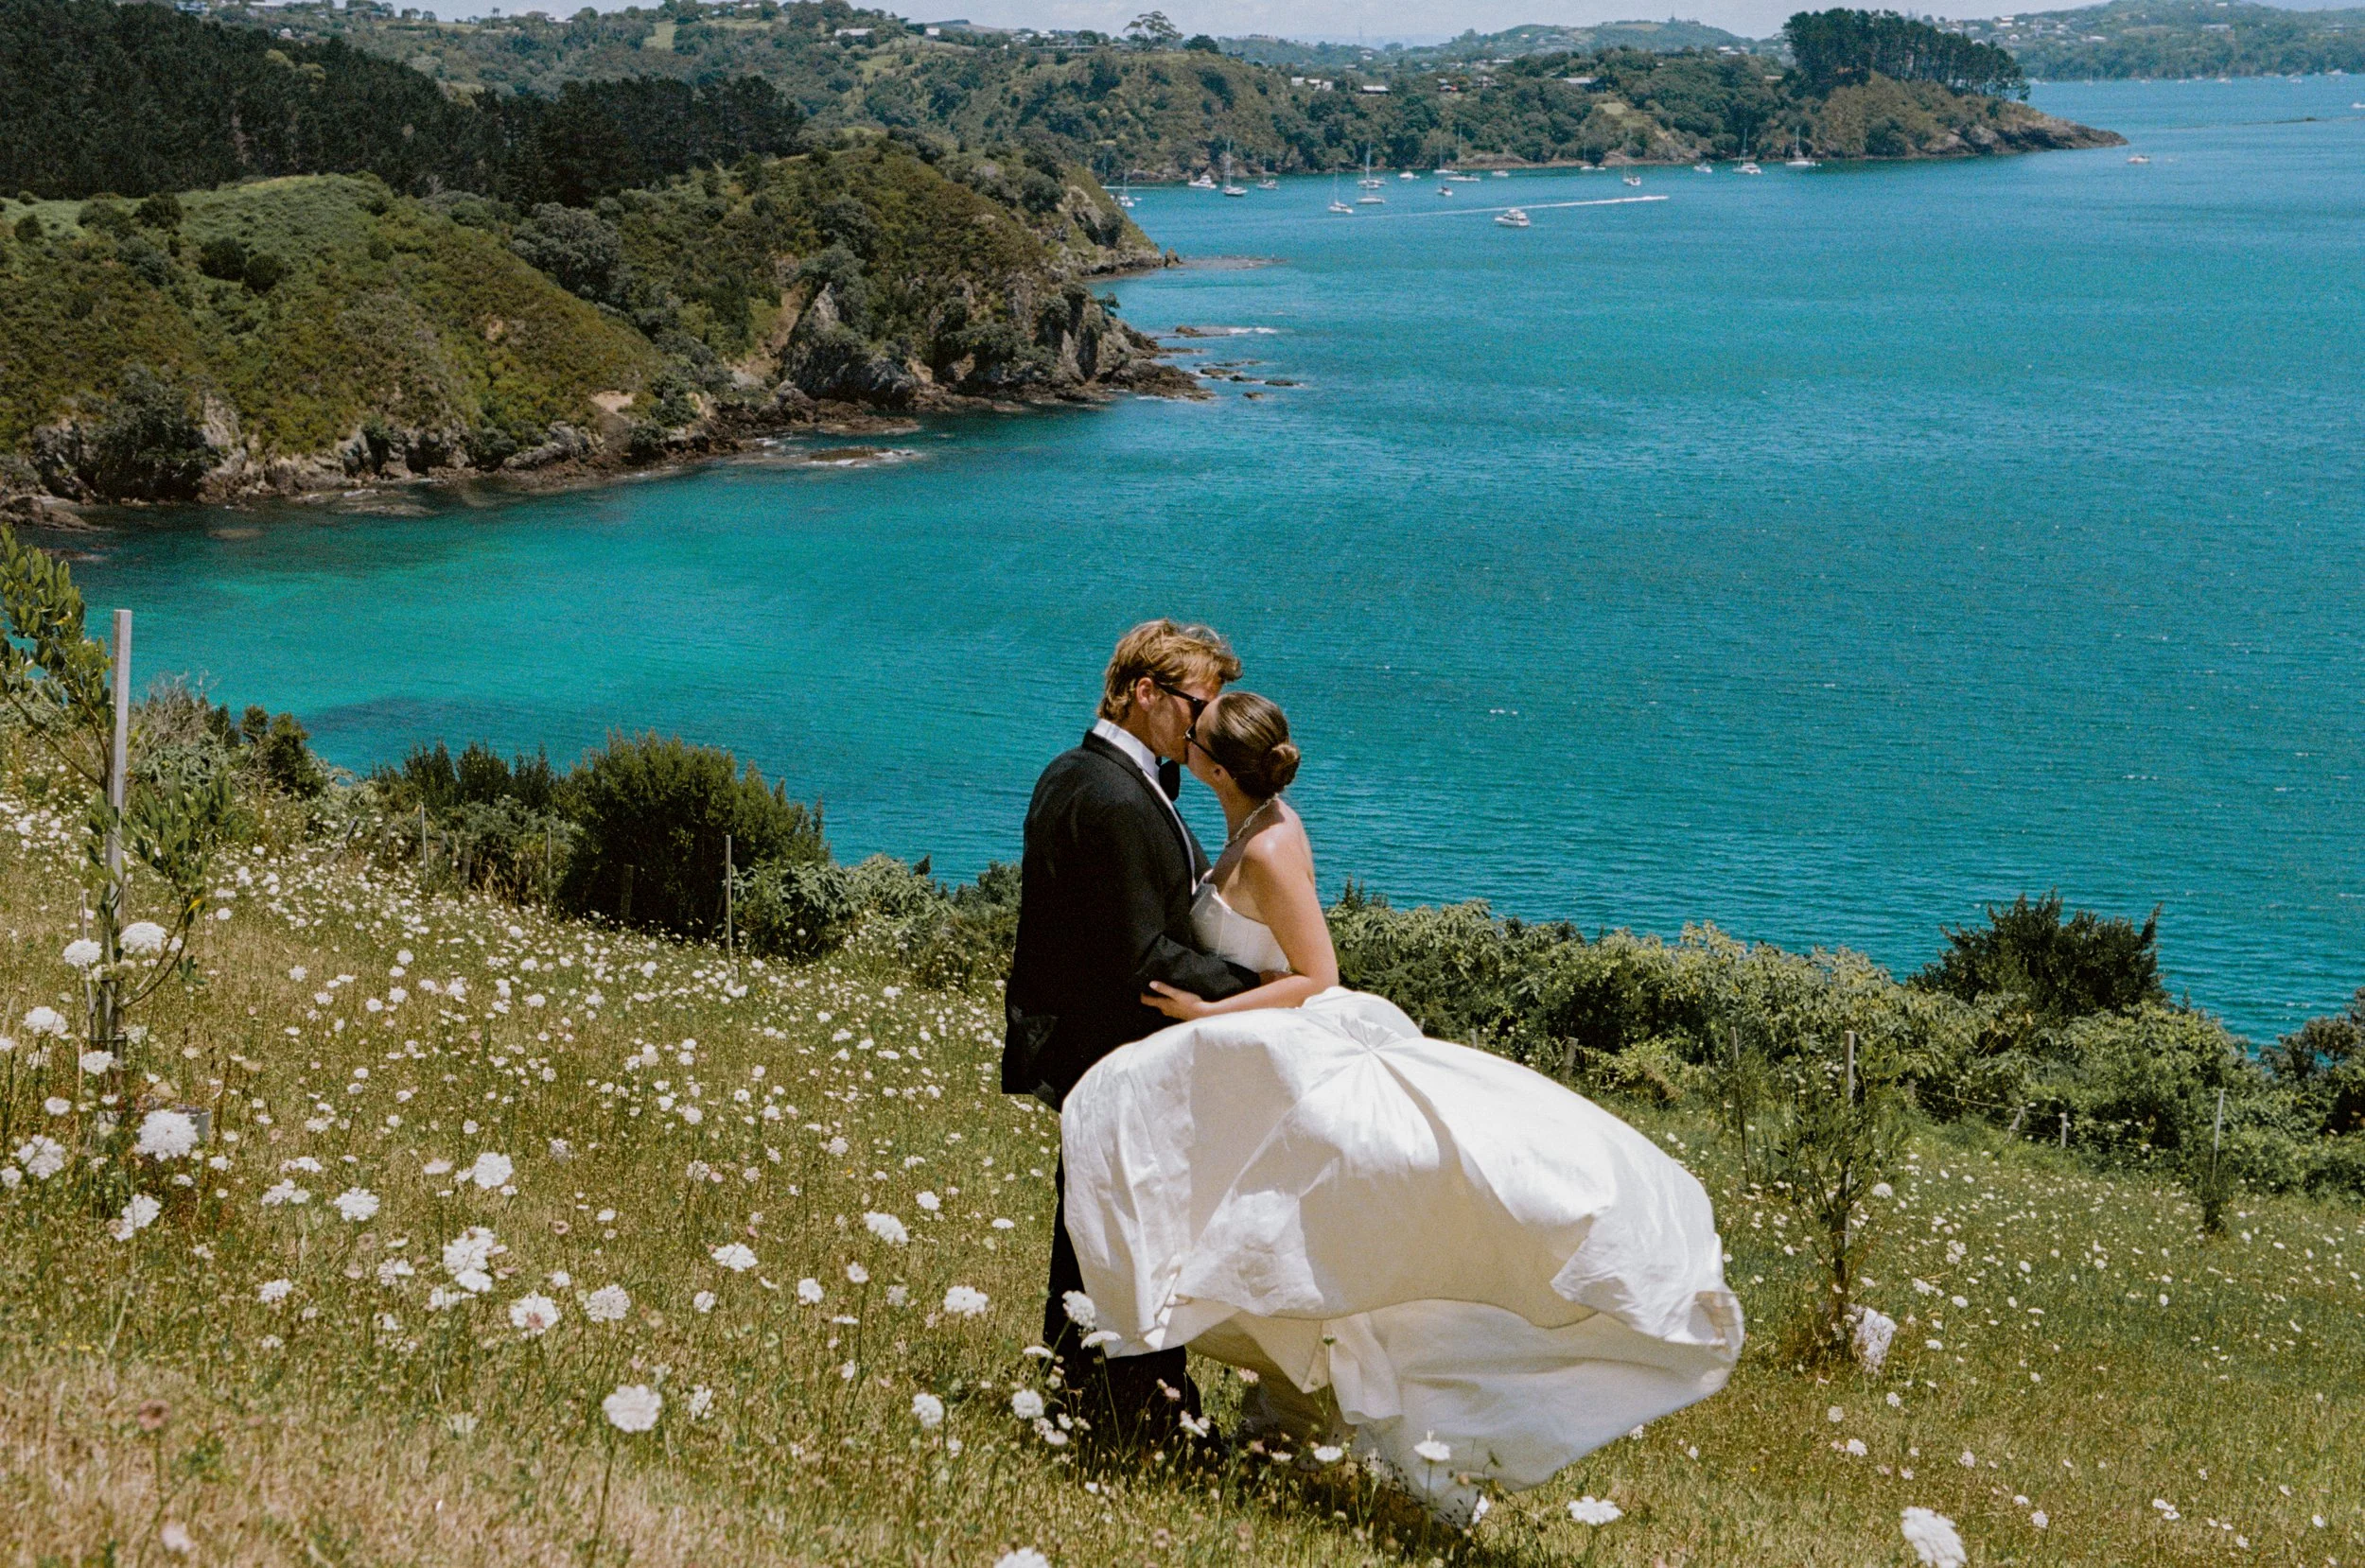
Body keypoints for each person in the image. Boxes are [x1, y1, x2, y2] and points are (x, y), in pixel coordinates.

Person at [1060, 689, 1746, 1524]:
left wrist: (1207, 1014)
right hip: (1263, 1058)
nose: (1186, 727)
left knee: (1317, 1251)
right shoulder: (1251, 823)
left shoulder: (1271, 845)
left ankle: (1379, 1425)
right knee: (1275, 1243)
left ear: (1208, 763)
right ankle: (1279, 1415)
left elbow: (1318, 976)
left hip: (1296, 1045)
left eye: (1195, 727)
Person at [1002, 618, 1258, 1447]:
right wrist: (1269, 992)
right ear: (1145, 694)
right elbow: (1139, 954)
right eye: (1200, 704)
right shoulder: (1110, 796)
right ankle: (1136, 1410)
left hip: (1098, 1042)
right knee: (1125, 1222)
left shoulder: (1084, 774)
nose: (1209, 724)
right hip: (1107, 1046)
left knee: (1104, 1222)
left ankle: (1097, 1395)